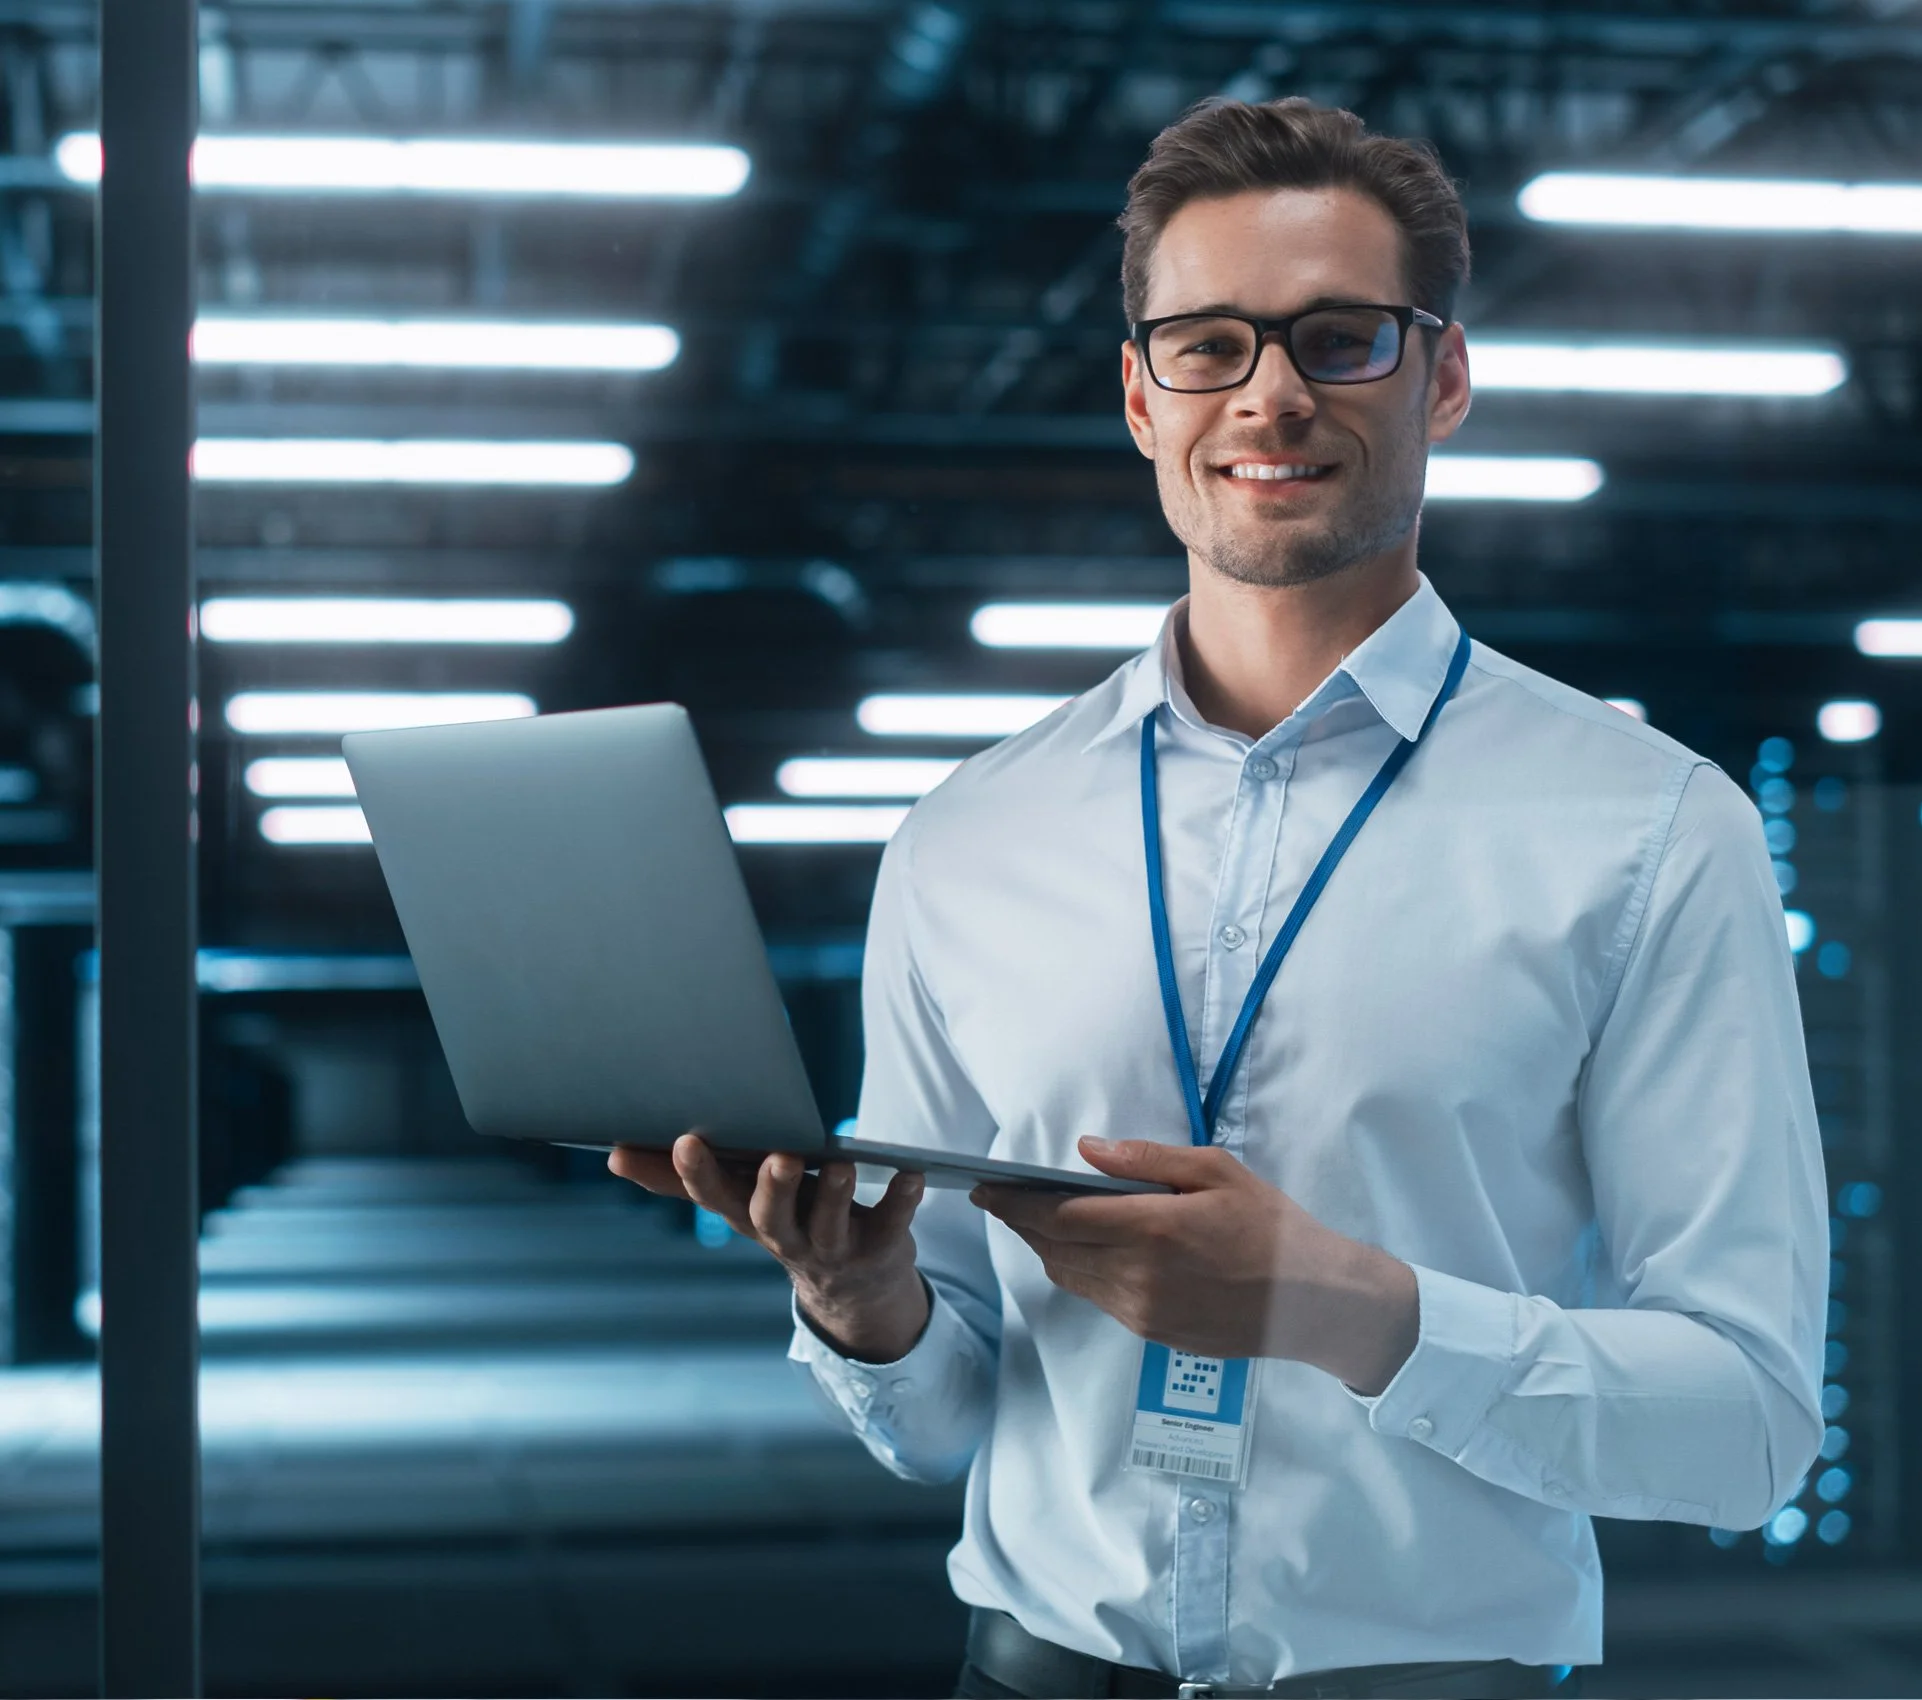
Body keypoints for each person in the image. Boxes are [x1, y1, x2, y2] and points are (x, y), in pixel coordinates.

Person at [612, 97, 1826, 1700]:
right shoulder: (974, 834)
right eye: (1208, 345)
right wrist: (867, 1304)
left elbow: (1747, 1427)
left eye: (1340, 338)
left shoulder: (1652, 832)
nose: (1269, 391)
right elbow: (956, 1415)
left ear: (1442, 378)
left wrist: (1350, 1311)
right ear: (1139, 394)